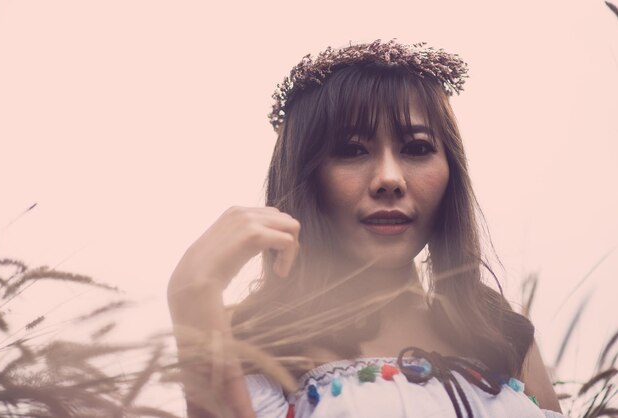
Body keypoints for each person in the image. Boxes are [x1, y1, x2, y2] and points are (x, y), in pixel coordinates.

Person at [167, 40, 566, 418]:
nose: (389, 179)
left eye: (417, 148)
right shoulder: (262, 347)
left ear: (451, 172)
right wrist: (191, 295)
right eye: (352, 150)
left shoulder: (503, 338)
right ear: (306, 177)